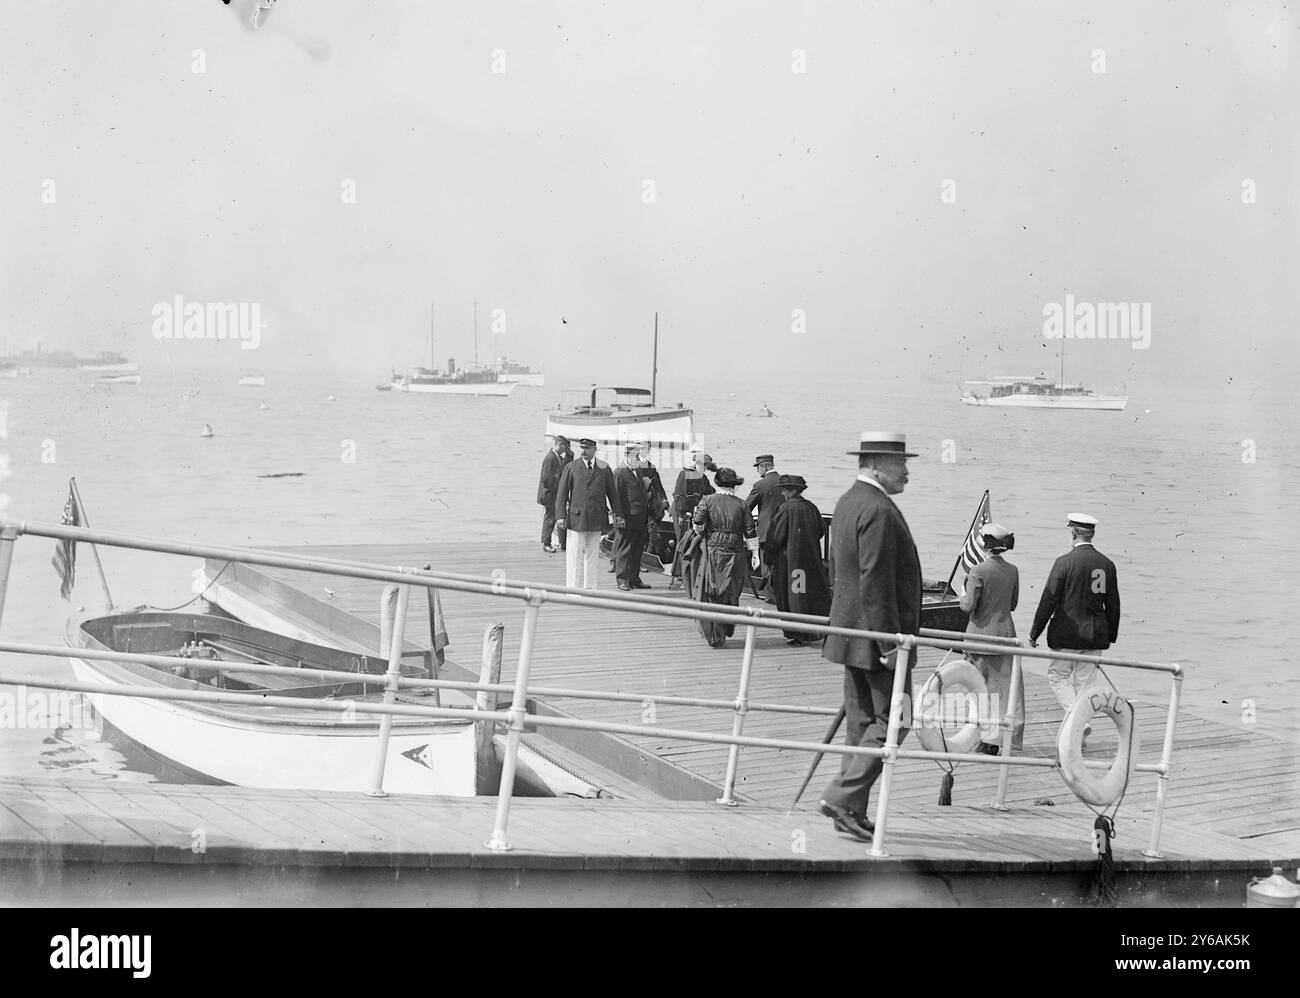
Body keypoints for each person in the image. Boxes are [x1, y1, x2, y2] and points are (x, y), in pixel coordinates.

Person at [818, 432, 921, 843]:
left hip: (847, 632)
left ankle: (849, 810)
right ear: (876, 464)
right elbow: (875, 582)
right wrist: (890, 645)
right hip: (880, 642)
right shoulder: (878, 509)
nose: (908, 472)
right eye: (902, 464)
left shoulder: (847, 501)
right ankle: (840, 797)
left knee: (861, 724)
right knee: (897, 719)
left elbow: (837, 573)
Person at [1028, 513, 1121, 741]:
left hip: (1067, 633)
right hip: (1095, 634)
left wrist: (1034, 633)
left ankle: (1077, 719)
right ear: (1092, 534)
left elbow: (1048, 600)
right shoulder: (1106, 564)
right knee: (1085, 683)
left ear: (1073, 533)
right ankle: (1079, 731)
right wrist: (1110, 635)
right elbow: (1113, 604)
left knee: (1058, 676)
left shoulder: (1064, 563)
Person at [958, 522, 1024, 754]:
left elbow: (968, 607)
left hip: (979, 638)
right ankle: (997, 739)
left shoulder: (977, 571)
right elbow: (1013, 604)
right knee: (1003, 693)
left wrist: (963, 594)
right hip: (1004, 637)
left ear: (986, 545)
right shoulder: (1013, 570)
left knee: (978, 690)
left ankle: (981, 738)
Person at [686, 467, 758, 648]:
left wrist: (703, 532)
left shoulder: (708, 500)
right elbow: (750, 532)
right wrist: (756, 554)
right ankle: (725, 628)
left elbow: (698, 523)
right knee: (730, 591)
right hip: (735, 552)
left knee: (711, 591)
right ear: (734, 485)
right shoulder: (742, 504)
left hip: (713, 551)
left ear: (717, 483)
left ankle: (715, 634)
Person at [764, 474, 831, 644]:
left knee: (791, 596)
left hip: (789, 563)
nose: (782, 493)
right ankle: (811, 631)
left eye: (785, 490)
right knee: (806, 595)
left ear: (792, 491)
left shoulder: (786, 508)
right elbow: (821, 530)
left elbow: (776, 536)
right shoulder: (811, 507)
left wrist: (769, 558)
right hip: (810, 561)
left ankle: (797, 634)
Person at [554, 438, 622, 590]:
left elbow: (613, 494)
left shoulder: (604, 468)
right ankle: (573, 589)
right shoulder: (571, 467)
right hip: (576, 518)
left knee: (592, 555)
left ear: (594, 449)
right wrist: (560, 516)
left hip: (597, 518)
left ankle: (590, 588)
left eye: (586, 448)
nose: (583, 451)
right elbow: (562, 493)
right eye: (581, 448)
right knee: (574, 556)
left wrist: (618, 514)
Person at [668, 451, 716, 589]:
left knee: (689, 542)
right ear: (698, 464)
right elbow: (680, 495)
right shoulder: (685, 474)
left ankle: (683, 574)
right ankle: (679, 575)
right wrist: (684, 515)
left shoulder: (703, 477)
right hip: (682, 512)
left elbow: (710, 493)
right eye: (704, 465)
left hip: (694, 512)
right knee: (683, 541)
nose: (705, 468)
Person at [612, 443, 652, 591]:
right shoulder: (619, 473)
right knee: (624, 550)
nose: (637, 459)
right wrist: (619, 517)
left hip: (639, 518)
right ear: (626, 455)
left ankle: (634, 578)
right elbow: (615, 498)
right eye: (635, 456)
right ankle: (622, 580)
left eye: (638, 456)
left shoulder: (638, 471)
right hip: (626, 519)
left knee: (637, 550)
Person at [745, 454, 785, 600]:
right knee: (782, 564)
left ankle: (769, 596)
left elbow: (746, 507)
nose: (757, 471)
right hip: (784, 529)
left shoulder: (760, 485)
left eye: (758, 468)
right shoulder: (784, 481)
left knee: (767, 564)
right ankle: (782, 595)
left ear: (764, 466)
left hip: (766, 531)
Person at [537, 435, 573, 553]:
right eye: (564, 447)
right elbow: (546, 479)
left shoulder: (557, 457)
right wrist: (558, 489)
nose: (565, 451)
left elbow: (567, 465)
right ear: (559, 445)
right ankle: (546, 543)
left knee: (561, 516)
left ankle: (563, 543)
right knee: (550, 518)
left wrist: (569, 454)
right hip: (550, 494)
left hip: (557, 494)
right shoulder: (550, 458)